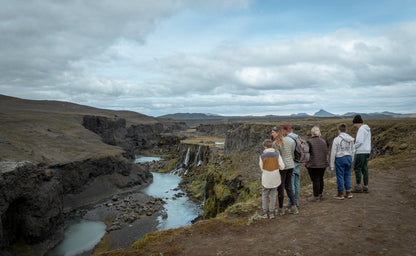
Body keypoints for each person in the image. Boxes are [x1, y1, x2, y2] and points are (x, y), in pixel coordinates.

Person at [272, 126, 299, 215]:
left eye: (273, 132)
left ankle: (280, 209)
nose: (272, 134)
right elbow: (292, 153)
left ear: (277, 133)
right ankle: (294, 207)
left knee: (280, 188)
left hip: (282, 167)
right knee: (289, 186)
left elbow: (277, 157)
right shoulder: (289, 141)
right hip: (291, 165)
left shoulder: (276, 143)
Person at [259, 139, 285, 219]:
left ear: (265, 147)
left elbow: (261, 168)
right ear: (272, 146)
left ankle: (264, 212)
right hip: (275, 177)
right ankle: (271, 213)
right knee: (273, 195)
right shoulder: (277, 155)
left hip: (266, 178)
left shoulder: (262, 156)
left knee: (265, 195)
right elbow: (282, 166)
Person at [330, 124, 355, 199]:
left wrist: (332, 164)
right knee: (347, 175)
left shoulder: (337, 139)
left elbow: (333, 152)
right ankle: (348, 192)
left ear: (339, 130)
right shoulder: (351, 139)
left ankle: (340, 193)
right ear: (346, 130)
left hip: (340, 158)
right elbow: (353, 150)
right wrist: (352, 160)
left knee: (340, 176)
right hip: (349, 158)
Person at [306, 126, 329, 201]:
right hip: (323, 163)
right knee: (320, 178)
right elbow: (326, 152)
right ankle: (320, 194)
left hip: (313, 164)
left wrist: (306, 163)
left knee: (315, 179)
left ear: (312, 133)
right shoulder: (323, 141)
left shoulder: (309, 142)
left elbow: (307, 153)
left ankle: (315, 196)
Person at [282, 123, 300, 208]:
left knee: (290, 184)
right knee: (297, 183)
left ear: (285, 130)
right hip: (298, 162)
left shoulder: (287, 140)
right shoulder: (297, 137)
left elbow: (288, 153)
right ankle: (296, 201)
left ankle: (291, 203)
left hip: (291, 164)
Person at [352, 114, 372, 193]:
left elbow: (359, 141)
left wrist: (353, 147)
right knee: (365, 168)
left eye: (355, 123)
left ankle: (358, 186)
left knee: (357, 168)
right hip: (367, 151)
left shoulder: (361, 129)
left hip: (360, 151)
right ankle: (365, 186)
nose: (354, 125)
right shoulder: (367, 129)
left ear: (357, 122)